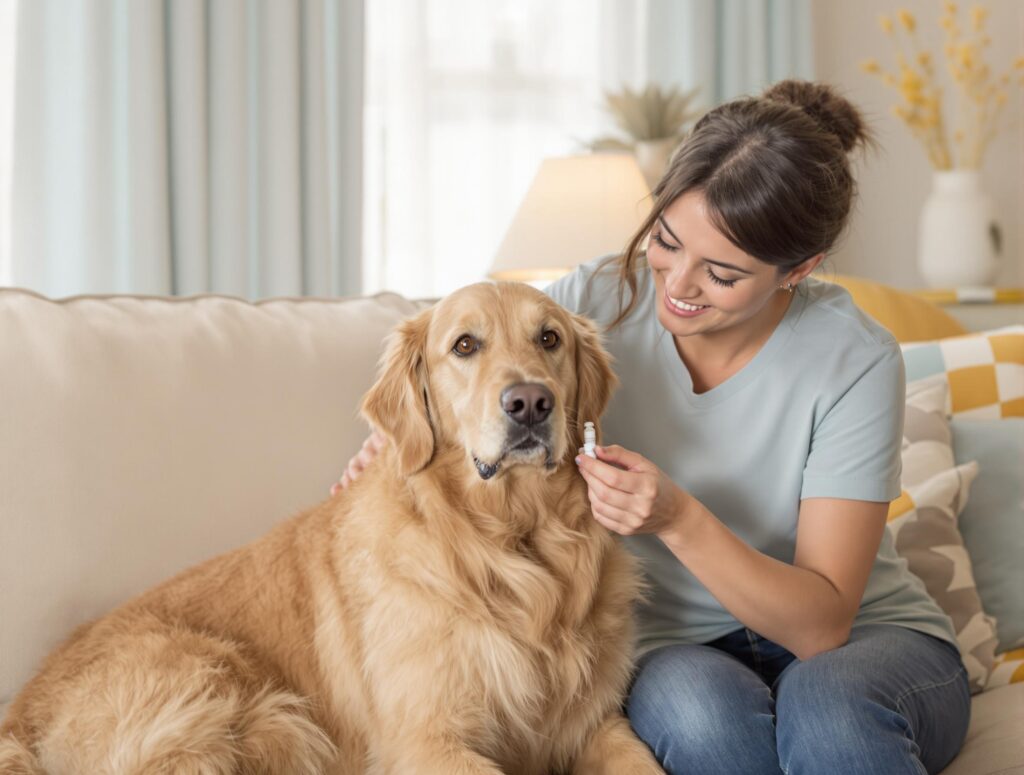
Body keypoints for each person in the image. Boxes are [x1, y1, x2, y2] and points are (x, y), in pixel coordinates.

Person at [335, 79, 970, 774]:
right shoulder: (590, 303)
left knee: (830, 712)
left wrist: (676, 518)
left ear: (799, 270)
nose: (678, 284)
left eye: (722, 273)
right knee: (703, 725)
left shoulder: (855, 357)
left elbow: (822, 623)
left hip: (858, 641)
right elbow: (481, 369)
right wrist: (393, 439)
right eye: (667, 240)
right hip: (682, 646)